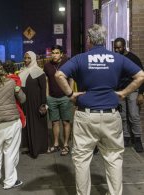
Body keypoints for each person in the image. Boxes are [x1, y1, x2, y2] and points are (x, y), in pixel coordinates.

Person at [55, 24, 144, 195]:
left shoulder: (80, 58)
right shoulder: (117, 58)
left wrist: (70, 94)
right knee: (113, 159)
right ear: (104, 40)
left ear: (88, 39)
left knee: (82, 160)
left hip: (86, 115)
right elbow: (141, 76)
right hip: (111, 115)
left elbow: (59, 75)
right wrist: (124, 93)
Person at [0, 60, 25, 189]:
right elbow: (23, 99)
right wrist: (18, 90)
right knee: (10, 153)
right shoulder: (11, 83)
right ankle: (9, 182)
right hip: (11, 122)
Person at [114, 37, 144, 153]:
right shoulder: (115, 58)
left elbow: (142, 77)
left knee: (134, 116)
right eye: (115, 47)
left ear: (124, 46)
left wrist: (141, 93)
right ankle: (125, 138)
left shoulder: (133, 58)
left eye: (119, 47)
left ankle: (137, 140)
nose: (116, 50)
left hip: (133, 90)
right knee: (122, 116)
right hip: (120, 90)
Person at [44, 45, 73, 156]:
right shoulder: (47, 65)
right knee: (54, 122)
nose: (54, 55)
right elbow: (47, 81)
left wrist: (70, 94)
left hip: (64, 97)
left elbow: (71, 78)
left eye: (56, 53)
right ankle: (56, 144)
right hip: (52, 98)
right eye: (53, 53)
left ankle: (65, 145)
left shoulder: (67, 64)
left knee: (66, 122)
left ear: (61, 54)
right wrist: (47, 96)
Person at [19, 51, 48, 158]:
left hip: (36, 103)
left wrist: (43, 104)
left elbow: (43, 89)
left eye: (28, 58)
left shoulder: (39, 72)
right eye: (25, 58)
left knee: (36, 125)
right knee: (27, 125)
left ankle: (37, 149)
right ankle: (29, 147)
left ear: (33, 59)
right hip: (25, 102)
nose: (26, 60)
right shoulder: (23, 71)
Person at [3, 60, 26, 128]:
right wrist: (17, 88)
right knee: (19, 111)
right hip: (14, 102)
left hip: (4, 104)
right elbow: (18, 90)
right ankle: (23, 122)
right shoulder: (16, 78)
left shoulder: (2, 79)